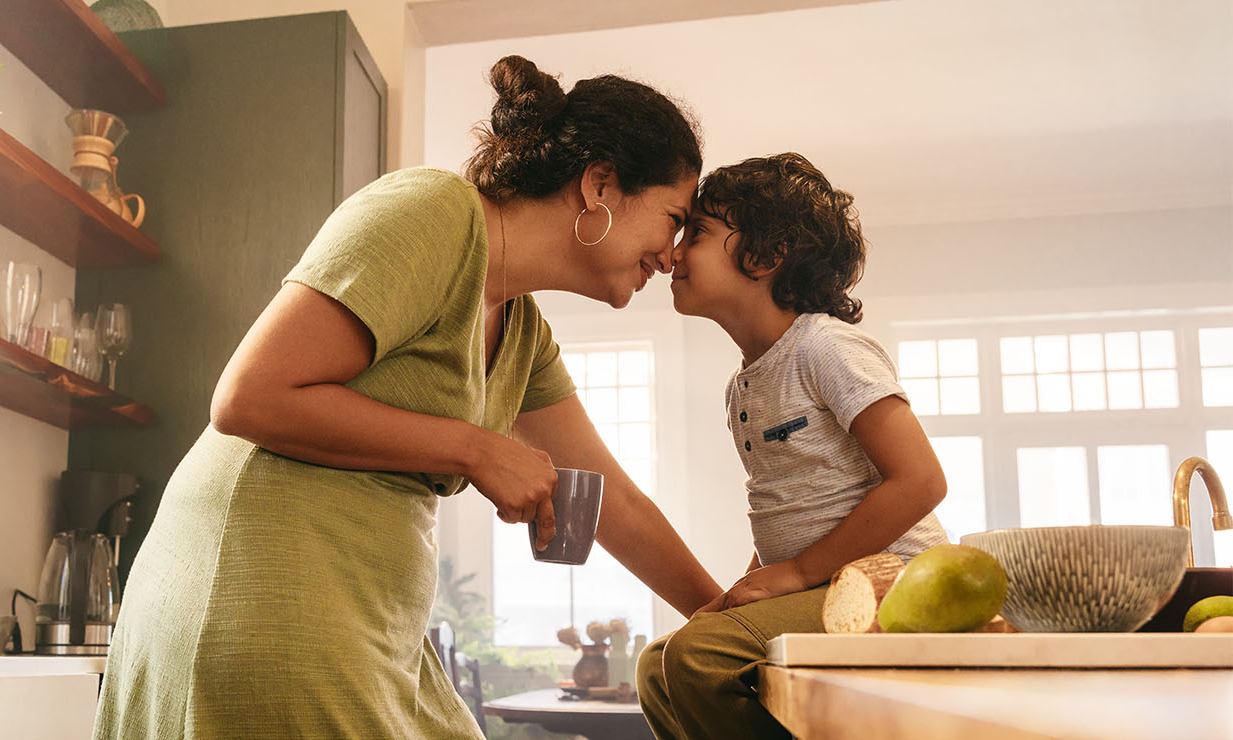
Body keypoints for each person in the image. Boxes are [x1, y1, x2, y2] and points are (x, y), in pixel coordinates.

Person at [92, 55, 724, 739]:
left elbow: (613, 499)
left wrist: (727, 619)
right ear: (600, 183)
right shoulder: (434, 213)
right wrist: (477, 449)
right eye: (673, 218)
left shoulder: (522, 331)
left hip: (369, 619)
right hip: (261, 591)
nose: (671, 256)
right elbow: (249, 396)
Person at [637, 153, 950, 740]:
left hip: (896, 582)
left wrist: (798, 571)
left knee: (698, 656)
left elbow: (922, 481)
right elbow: (790, 507)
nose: (673, 253)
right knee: (658, 664)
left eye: (697, 233)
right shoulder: (744, 386)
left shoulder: (825, 347)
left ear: (765, 256)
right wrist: (753, 585)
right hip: (821, 583)